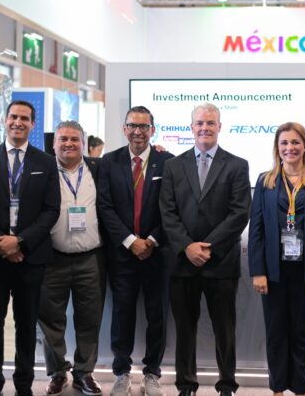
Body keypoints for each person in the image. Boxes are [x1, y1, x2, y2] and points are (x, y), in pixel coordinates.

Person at [0, 99, 61, 396]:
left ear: (32, 124)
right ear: (5, 120)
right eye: (13, 117)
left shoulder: (46, 162)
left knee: (27, 325)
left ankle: (24, 385)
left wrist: (20, 241)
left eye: (24, 118)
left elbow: (51, 209)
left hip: (30, 257)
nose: (18, 122)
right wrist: (1, 242)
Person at [159, 103, 251, 396]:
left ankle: (227, 385)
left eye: (210, 123)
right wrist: (187, 246)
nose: (205, 128)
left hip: (220, 262)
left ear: (219, 127)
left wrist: (208, 247)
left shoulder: (237, 165)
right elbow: (167, 212)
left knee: (224, 329)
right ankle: (186, 385)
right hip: (182, 261)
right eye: (199, 123)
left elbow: (239, 213)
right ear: (191, 127)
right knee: (185, 329)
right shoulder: (173, 166)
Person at [249, 122, 305, 396]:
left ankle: (299, 390)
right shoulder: (265, 181)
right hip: (273, 271)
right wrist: (257, 271)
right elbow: (257, 228)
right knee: (275, 333)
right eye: (284, 143)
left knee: (301, 333)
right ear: (277, 147)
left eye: (295, 142)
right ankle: (277, 390)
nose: (290, 148)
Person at [98, 106, 174, 396]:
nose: (138, 131)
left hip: (157, 254)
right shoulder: (109, 161)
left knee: (157, 316)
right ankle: (122, 373)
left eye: (144, 126)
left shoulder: (168, 162)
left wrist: (151, 240)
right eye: (132, 125)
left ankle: (152, 373)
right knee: (122, 315)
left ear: (152, 130)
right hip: (122, 255)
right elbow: (105, 206)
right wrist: (131, 241)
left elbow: (172, 208)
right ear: (124, 129)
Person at [37, 121, 106, 396]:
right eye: (63, 139)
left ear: (83, 143)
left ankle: (84, 373)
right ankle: (57, 373)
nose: (68, 144)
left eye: (74, 139)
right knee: (50, 319)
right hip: (52, 257)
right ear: (54, 143)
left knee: (89, 319)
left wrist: (159, 150)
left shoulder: (98, 168)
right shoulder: (42, 169)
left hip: (91, 258)